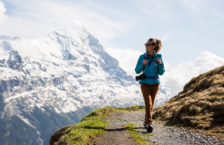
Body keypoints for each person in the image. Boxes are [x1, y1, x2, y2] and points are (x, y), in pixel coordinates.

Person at [135, 38, 165, 133]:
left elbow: (161, 72)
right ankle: (149, 124)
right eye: (146, 44)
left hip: (155, 83)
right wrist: (142, 65)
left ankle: (146, 120)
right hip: (144, 82)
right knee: (148, 103)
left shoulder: (158, 57)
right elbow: (137, 70)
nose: (146, 46)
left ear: (154, 46)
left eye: (148, 44)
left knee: (151, 104)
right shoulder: (142, 57)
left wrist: (160, 64)